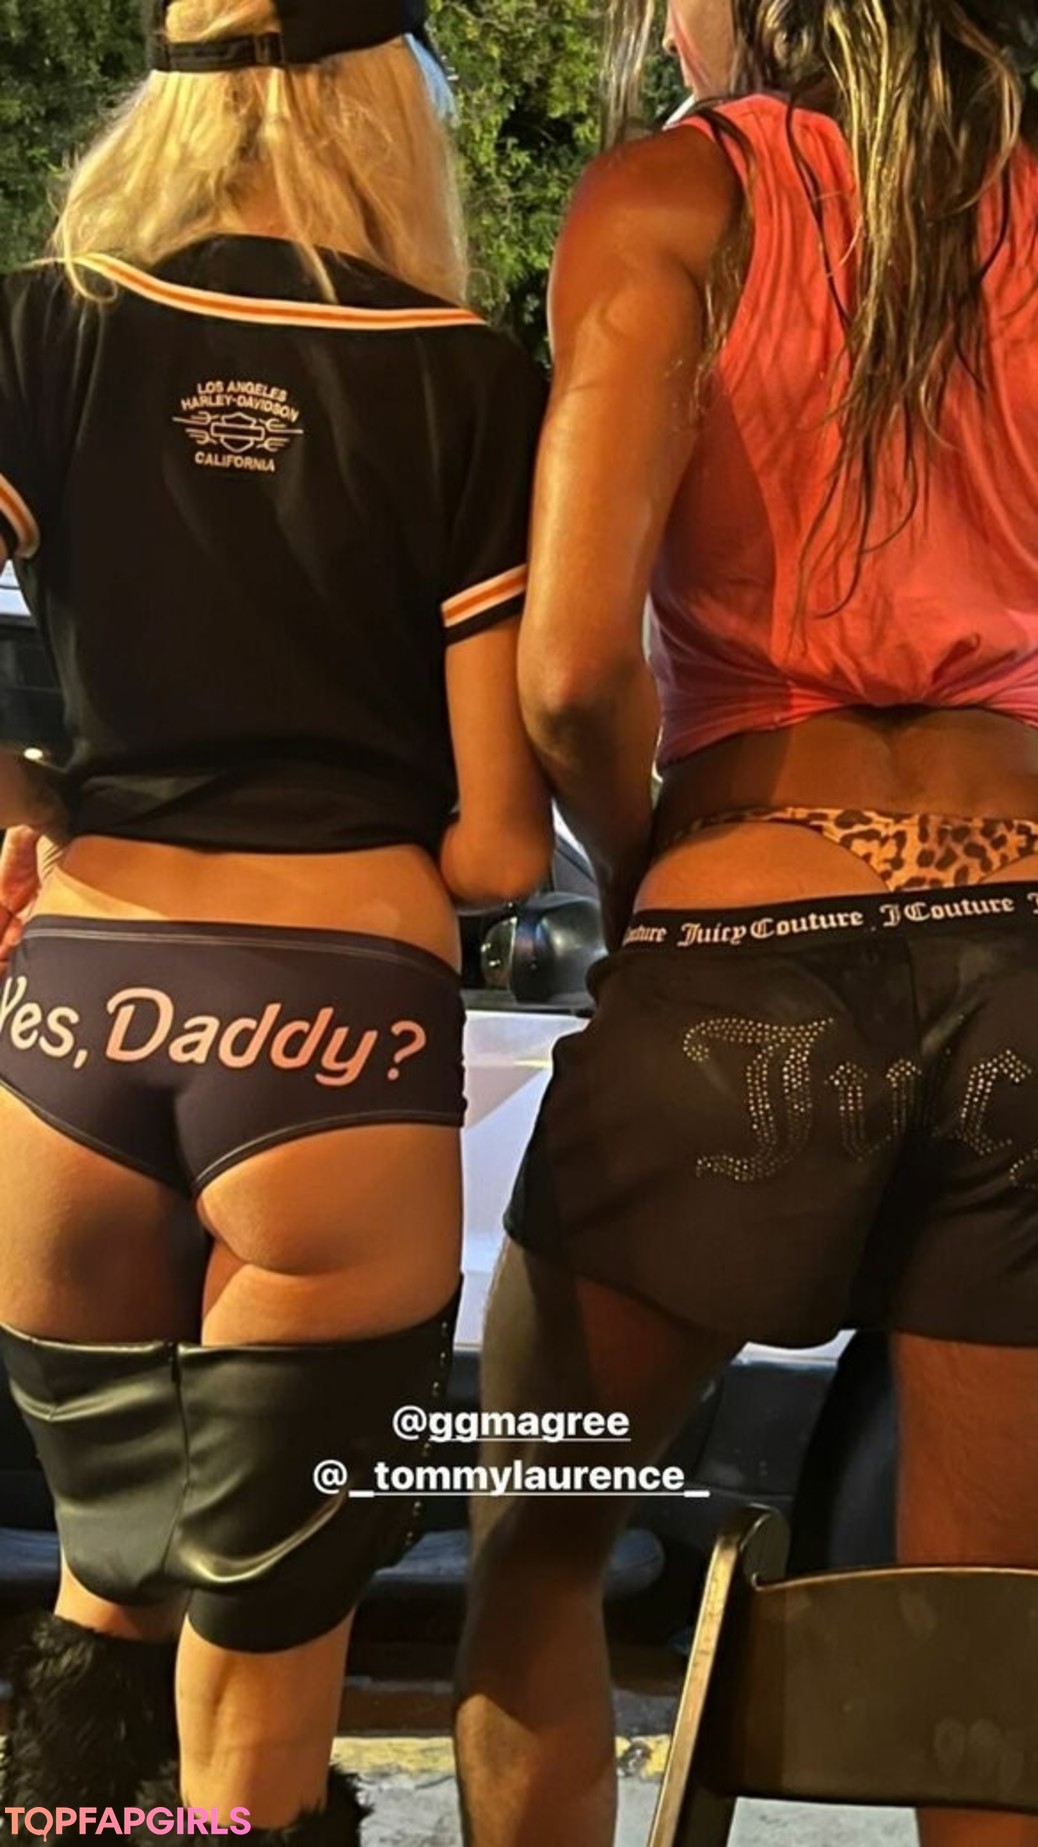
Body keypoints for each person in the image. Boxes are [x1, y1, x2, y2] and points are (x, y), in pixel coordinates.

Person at [453, 3, 1038, 1845]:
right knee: (997, 1654)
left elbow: (571, 672)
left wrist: (652, 870)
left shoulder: (672, 198)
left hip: (749, 934)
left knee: (533, 1548)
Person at [0, 1, 551, 1840]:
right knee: (263, 1649)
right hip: (330, 1015)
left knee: (109, 1577)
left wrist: (27, 798)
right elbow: (500, 845)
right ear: (388, 103)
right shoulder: (466, 379)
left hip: (77, 1014)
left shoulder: (45, 325)